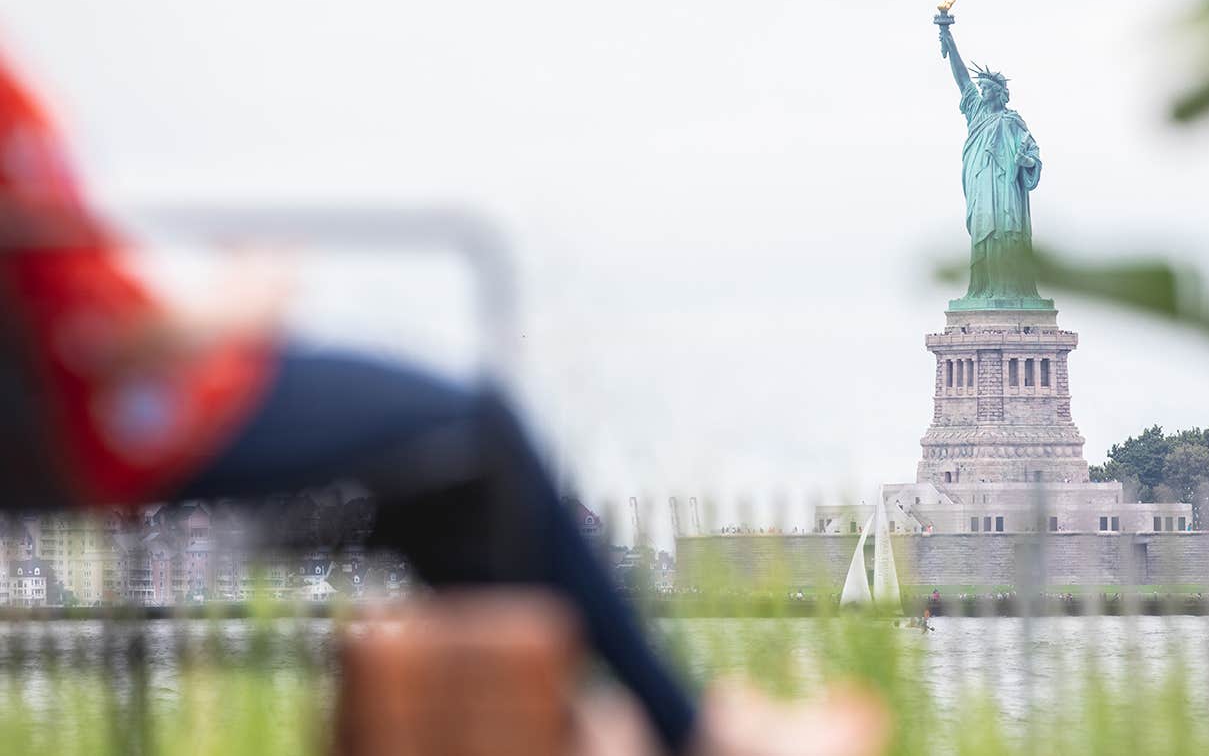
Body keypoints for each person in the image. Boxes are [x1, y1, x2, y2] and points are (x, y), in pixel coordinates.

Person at [0, 53, 891, 756]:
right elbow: (100, 329)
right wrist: (242, 298)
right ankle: (690, 733)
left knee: (444, 493)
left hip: (110, 419)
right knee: (479, 429)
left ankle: (584, 723)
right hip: (141, 420)